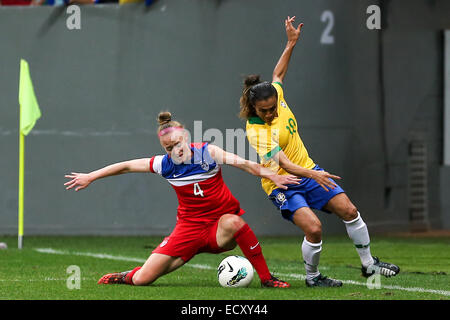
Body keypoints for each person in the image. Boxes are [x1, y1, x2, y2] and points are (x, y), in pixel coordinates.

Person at [239, 16, 400, 287]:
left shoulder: (276, 97)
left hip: (309, 172)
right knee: (314, 228)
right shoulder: (256, 131)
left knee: (349, 210)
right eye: (264, 110)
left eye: (273, 108)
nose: (270, 113)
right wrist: (315, 175)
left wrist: (290, 43)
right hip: (282, 184)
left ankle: (369, 264)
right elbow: (286, 166)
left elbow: (277, 75)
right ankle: (313, 278)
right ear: (253, 108)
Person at [64, 111, 300, 288]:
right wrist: (91, 176)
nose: (174, 150)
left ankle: (267, 279)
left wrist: (271, 174)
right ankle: (126, 275)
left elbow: (245, 164)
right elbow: (126, 166)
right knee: (143, 280)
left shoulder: (208, 153)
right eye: (168, 147)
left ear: (186, 137)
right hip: (189, 228)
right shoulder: (165, 165)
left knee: (234, 222)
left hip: (219, 227)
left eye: (177, 143)